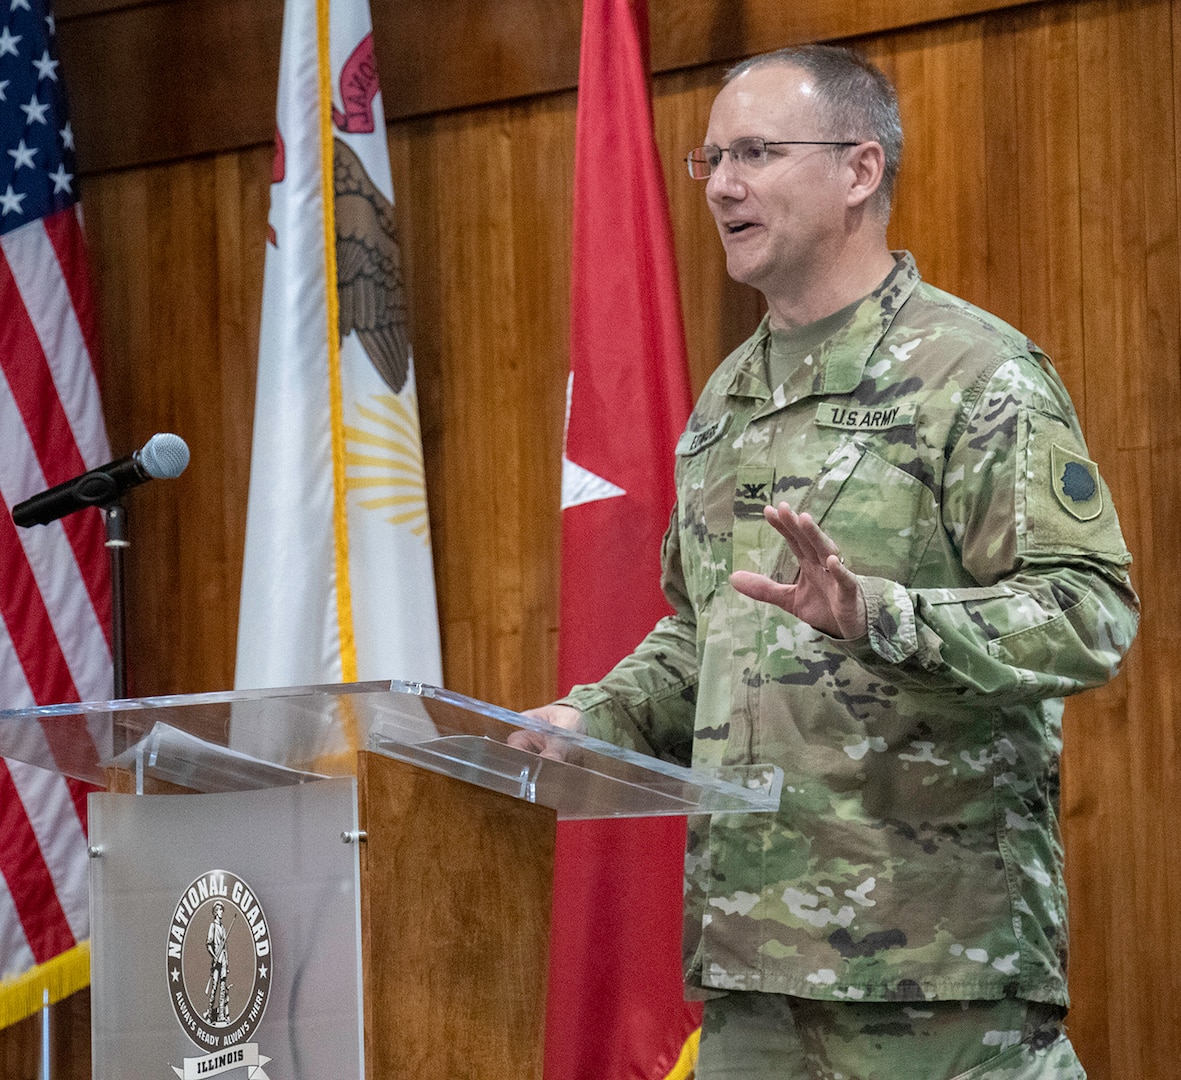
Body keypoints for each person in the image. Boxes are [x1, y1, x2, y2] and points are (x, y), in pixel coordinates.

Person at [520, 44, 1140, 1079]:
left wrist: (879, 616)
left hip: (934, 978)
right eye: (711, 157)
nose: (720, 183)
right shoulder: (727, 400)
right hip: (749, 974)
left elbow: (1087, 613)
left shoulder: (974, 373)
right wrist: (593, 716)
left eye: (755, 152)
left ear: (858, 171)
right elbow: (702, 629)